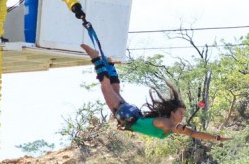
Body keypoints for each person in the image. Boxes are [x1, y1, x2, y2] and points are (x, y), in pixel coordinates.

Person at [81, 43, 231, 141]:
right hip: (127, 115)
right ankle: (96, 57)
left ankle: (110, 64)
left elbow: (192, 133)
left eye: (183, 114)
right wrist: (183, 129)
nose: (182, 116)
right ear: (172, 113)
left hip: (131, 114)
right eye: (180, 113)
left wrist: (215, 138)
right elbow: (183, 130)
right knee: (107, 87)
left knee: (114, 90)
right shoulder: (168, 124)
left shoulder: (169, 124)